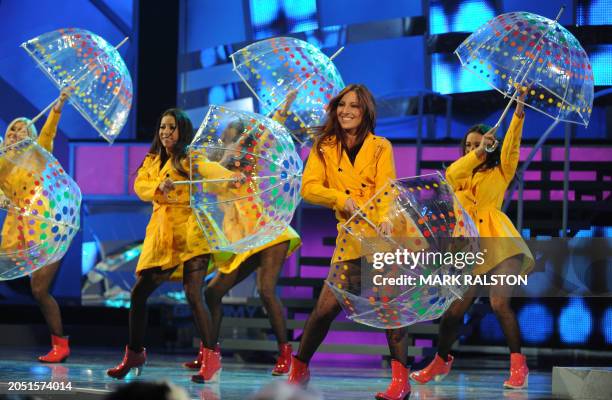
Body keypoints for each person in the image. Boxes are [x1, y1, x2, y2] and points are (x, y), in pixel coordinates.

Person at [287, 84, 410, 400]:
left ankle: (400, 382)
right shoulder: (324, 147)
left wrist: (384, 216)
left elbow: (388, 189)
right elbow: (309, 188)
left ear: (365, 111)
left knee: (390, 308)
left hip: (381, 238)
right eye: (342, 105)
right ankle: (299, 369)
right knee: (325, 309)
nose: (346, 111)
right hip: (351, 238)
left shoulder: (381, 146)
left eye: (354, 106)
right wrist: (340, 199)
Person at [410, 88, 534, 389]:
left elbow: (513, 146)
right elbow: (450, 174)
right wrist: (478, 153)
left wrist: (518, 110)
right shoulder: (458, 176)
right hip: (469, 247)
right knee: (454, 312)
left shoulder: (502, 169)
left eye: (478, 144)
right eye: (468, 145)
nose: (472, 149)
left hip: (501, 243)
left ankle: (519, 365)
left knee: (499, 303)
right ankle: (440, 361)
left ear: (492, 144)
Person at [107, 109, 239, 380]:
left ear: (182, 131)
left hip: (191, 233)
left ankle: (211, 358)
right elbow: (140, 186)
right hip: (163, 235)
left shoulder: (189, 157)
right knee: (139, 294)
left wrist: (230, 176)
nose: (166, 132)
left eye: (172, 127)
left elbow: (209, 170)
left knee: (193, 293)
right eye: (163, 127)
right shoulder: (152, 160)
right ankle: (135, 354)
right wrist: (159, 187)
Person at [186, 100, 301, 380]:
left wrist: (283, 108)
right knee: (212, 292)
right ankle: (210, 351)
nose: (236, 138)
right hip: (239, 238)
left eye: (239, 135)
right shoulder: (211, 162)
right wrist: (226, 160)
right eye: (233, 134)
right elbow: (209, 185)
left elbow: (266, 133)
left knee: (265, 290)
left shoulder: (247, 158)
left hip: (267, 231)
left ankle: (285, 353)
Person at [1, 87, 73, 363]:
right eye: (11, 130)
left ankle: (60, 344)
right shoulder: (2, 163)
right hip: (16, 235)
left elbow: (48, 133)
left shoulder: (38, 154)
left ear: (30, 137)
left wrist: (58, 105)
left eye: (21, 130)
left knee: (40, 290)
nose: (16, 133)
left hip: (49, 229)